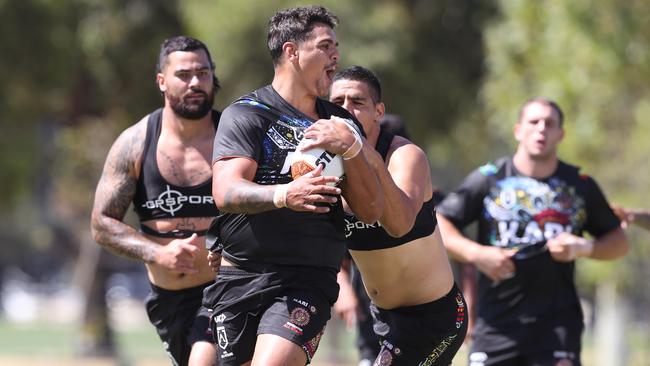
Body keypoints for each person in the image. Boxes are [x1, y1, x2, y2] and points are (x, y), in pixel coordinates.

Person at [205, 6, 382, 366]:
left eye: (336, 47)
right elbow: (225, 192)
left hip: (307, 279)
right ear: (292, 52)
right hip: (239, 276)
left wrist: (349, 146)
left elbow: (371, 209)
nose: (336, 55)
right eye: (325, 45)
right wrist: (286, 194)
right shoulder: (248, 114)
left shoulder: (341, 123)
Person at [436, 98, 629, 366]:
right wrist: (477, 253)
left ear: (560, 134)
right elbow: (439, 223)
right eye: (534, 122)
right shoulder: (488, 178)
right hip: (495, 325)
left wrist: (583, 248)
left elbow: (619, 241)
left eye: (549, 124)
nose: (541, 129)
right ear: (518, 130)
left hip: (557, 328)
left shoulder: (579, 185)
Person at [90, 36, 220, 366]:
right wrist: (158, 253)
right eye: (184, 74)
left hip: (229, 290)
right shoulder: (134, 143)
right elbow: (102, 224)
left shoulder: (234, 136)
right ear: (162, 80)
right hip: (171, 302)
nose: (196, 83)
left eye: (203, 73)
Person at [330, 65, 467, 366]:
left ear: (378, 111)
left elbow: (400, 223)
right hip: (382, 317)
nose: (346, 110)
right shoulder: (327, 163)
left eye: (357, 102)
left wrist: (364, 155)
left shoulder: (404, 156)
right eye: (337, 103)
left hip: (433, 316)